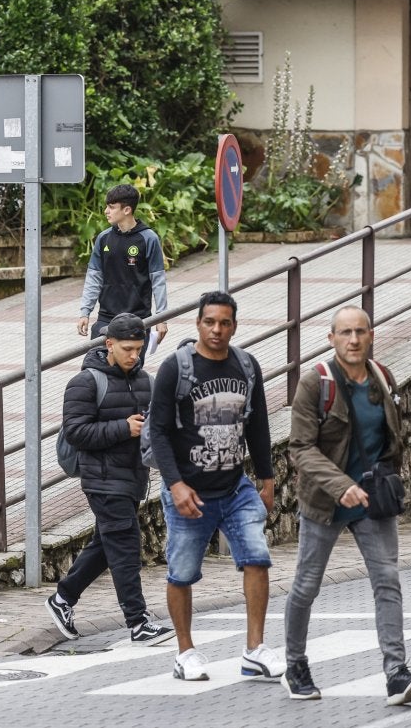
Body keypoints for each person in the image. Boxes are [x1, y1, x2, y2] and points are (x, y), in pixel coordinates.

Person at [282, 305, 411, 706]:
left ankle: (396, 673)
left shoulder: (382, 377)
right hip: (324, 503)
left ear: (371, 335)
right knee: (306, 585)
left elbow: (393, 436)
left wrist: (389, 481)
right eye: (345, 333)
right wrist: (339, 485)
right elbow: (300, 447)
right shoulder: (316, 382)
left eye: (360, 332)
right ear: (331, 338)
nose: (353, 340)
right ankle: (295, 663)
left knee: (387, 581)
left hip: (372, 501)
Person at [149, 290, 282, 683]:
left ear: (234, 326)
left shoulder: (246, 366)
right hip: (189, 491)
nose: (217, 330)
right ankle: (185, 652)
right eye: (210, 322)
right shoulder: (176, 368)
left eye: (225, 323)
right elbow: (156, 430)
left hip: (235, 487)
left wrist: (267, 478)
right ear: (198, 324)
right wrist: (174, 485)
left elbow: (257, 426)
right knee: (182, 572)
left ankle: (255, 648)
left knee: (257, 557)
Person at [46, 314, 174, 646]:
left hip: (133, 478)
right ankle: (138, 622)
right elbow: (75, 431)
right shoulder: (85, 382)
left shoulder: (145, 380)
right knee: (126, 548)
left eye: (139, 349)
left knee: (107, 546)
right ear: (109, 345)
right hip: (101, 480)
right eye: (127, 349)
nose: (134, 355)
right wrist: (123, 428)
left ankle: (63, 598)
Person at [75, 184, 169, 357]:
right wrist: (85, 312)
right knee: (94, 368)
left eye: (111, 207)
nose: (106, 211)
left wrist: (161, 318)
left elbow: (158, 281)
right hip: (105, 319)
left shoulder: (149, 239)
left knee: (130, 374)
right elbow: (94, 277)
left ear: (127, 209)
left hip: (137, 319)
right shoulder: (103, 238)